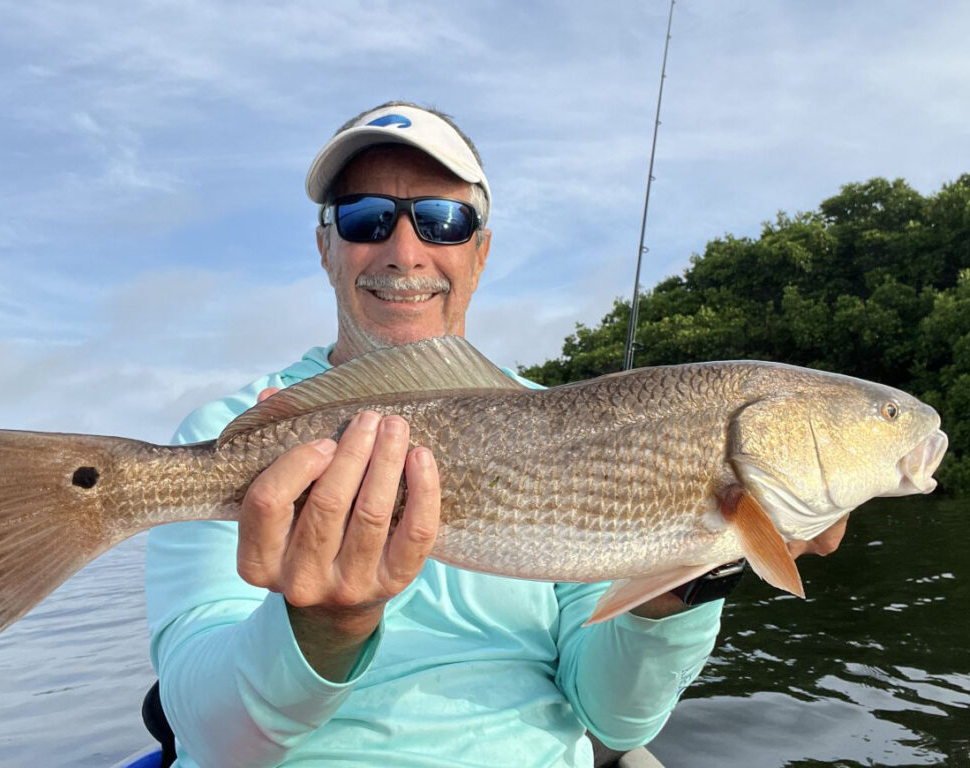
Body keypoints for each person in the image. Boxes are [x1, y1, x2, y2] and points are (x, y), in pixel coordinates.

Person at [145, 101, 848, 767]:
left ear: (479, 252)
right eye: (365, 218)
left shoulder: (588, 426)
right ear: (325, 245)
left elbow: (615, 721)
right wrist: (322, 628)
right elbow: (208, 732)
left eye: (443, 220)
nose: (404, 251)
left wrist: (692, 572)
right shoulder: (220, 435)